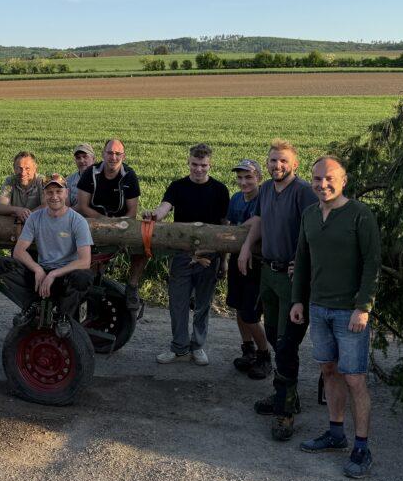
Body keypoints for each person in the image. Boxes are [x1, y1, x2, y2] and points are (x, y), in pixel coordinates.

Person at [290, 156, 381, 479]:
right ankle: (335, 432)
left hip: (349, 311)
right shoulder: (310, 215)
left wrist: (363, 306)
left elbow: (372, 264)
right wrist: (297, 300)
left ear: (344, 180)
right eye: (317, 179)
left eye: (329, 178)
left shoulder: (360, 215)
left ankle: (362, 447)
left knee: (354, 378)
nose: (322, 184)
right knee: (328, 370)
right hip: (318, 307)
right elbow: (302, 260)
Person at [237, 139, 319, 441]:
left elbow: (314, 228)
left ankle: (285, 412)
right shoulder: (267, 190)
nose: (277, 165)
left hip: (291, 278)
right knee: (273, 334)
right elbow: (259, 220)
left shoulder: (303, 192)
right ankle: (285, 394)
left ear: (295, 164)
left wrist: (302, 260)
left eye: (283, 161)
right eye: (273, 160)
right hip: (268, 273)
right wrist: (246, 246)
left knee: (287, 343)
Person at [145, 144, 230, 366]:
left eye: (203, 165)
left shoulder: (220, 190)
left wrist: (224, 261)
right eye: (194, 164)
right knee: (178, 303)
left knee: (203, 304)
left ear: (210, 165)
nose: (198, 169)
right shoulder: (177, 187)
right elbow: (164, 208)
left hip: (210, 256)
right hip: (181, 255)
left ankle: (198, 346)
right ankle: (179, 347)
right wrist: (154, 215)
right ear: (188, 163)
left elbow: (224, 226)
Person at [0, 174, 93, 327]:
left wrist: (54, 274)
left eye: (58, 191)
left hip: (65, 275)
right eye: (49, 192)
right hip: (42, 272)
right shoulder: (35, 218)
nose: (54, 196)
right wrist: (38, 269)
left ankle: (64, 317)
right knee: (3, 264)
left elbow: (85, 261)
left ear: (66, 193)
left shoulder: (77, 221)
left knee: (83, 276)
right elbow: (19, 251)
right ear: (44, 195)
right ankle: (31, 305)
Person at [76, 138, 147, 308]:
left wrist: (117, 226)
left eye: (117, 153)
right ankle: (85, 291)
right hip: (93, 222)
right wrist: (104, 221)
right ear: (103, 154)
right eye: (109, 153)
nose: (113, 157)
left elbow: (132, 212)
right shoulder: (90, 173)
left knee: (144, 244)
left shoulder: (129, 176)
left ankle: (132, 285)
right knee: (88, 269)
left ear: (123, 156)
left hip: (121, 224)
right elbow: (83, 206)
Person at [226, 159, 272, 380]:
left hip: (257, 263)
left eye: (249, 177)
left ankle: (264, 355)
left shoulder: (265, 198)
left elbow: (258, 222)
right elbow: (227, 225)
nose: (243, 182)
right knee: (238, 307)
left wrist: (235, 232)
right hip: (237, 260)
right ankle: (248, 350)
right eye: (240, 177)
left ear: (259, 178)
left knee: (250, 313)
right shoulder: (236, 198)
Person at [0, 151, 44, 222]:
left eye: (27, 168)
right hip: (15, 224)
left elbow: (48, 206)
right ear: (14, 169)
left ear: (35, 169)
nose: (23, 173)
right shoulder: (10, 181)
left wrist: (27, 215)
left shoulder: (42, 182)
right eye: (19, 168)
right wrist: (17, 210)